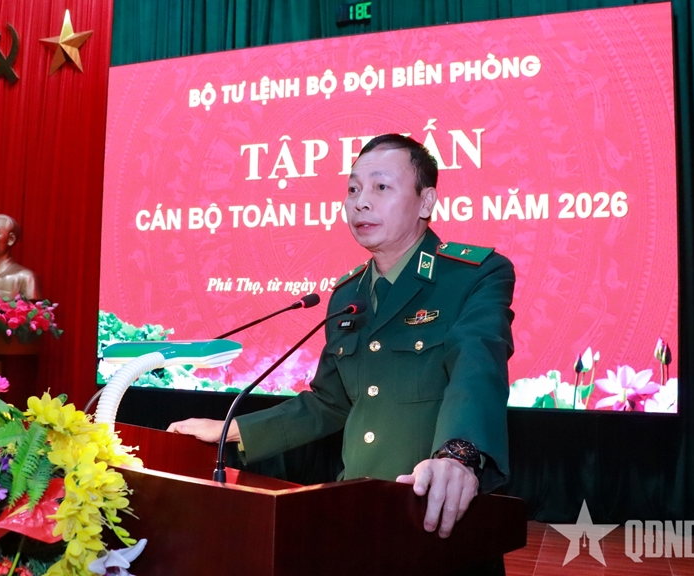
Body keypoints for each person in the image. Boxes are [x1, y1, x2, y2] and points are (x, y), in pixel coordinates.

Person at [169, 134, 515, 547]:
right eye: (353, 189)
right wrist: (234, 429)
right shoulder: (348, 293)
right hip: (354, 513)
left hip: (433, 517)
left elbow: (476, 369)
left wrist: (458, 457)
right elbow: (330, 403)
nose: (360, 202)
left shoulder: (473, 275)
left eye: (381, 187)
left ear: (426, 202)